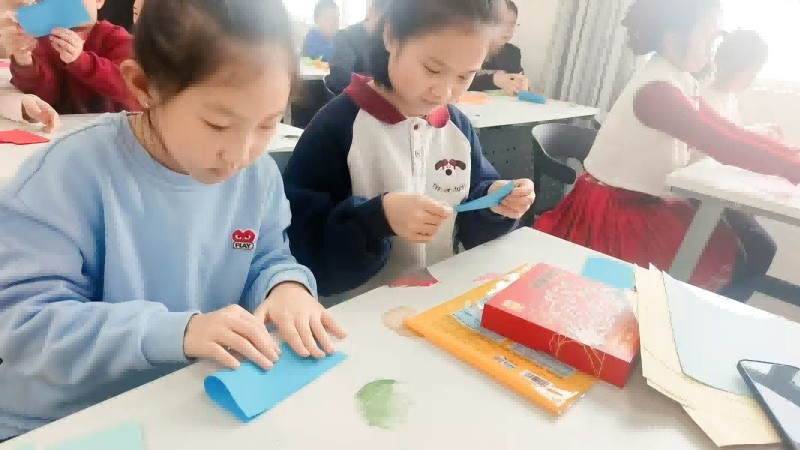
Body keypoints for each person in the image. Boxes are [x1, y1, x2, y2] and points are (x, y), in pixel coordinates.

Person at [0, 0, 345, 441]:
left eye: (267, 125)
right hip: (66, 420)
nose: (240, 154)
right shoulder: (65, 175)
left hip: (184, 403)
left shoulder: (256, 176)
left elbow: (265, 257)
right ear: (143, 86)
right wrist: (176, 332)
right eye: (217, 124)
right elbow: (25, 325)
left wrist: (286, 287)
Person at [535, 0, 800, 302]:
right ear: (674, 37)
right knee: (625, 299)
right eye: (707, 34)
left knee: (720, 254)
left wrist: (791, 154)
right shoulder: (657, 90)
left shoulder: (680, 79)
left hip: (643, 203)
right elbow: (723, 143)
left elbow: (728, 130)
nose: (712, 46)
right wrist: (791, 166)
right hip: (614, 212)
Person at [283, 0, 535, 301]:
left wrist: (494, 202)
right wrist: (377, 219)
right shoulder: (337, 126)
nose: (444, 92)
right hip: (356, 312)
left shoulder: (457, 126)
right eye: (432, 69)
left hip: (436, 301)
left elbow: (470, 219)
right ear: (391, 36)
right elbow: (302, 248)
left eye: (464, 76)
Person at [6, 0, 139, 114]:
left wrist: (81, 60)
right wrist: (24, 60)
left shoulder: (117, 38)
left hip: (112, 126)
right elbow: (43, 98)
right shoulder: (41, 40)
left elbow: (128, 88)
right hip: (59, 126)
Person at [700, 29, 781, 138]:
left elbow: (733, 132)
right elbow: (723, 139)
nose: (752, 79)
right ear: (734, 68)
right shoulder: (708, 101)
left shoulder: (730, 97)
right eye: (751, 73)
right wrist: (758, 132)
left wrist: (761, 129)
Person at [326, 0, 389, 94]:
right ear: (371, 12)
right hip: (353, 98)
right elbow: (340, 80)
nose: (387, 27)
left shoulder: (389, 41)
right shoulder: (345, 38)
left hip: (381, 97)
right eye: (384, 20)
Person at [469, 0, 528, 94]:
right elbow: (458, 81)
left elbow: (517, 79)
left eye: (512, 24)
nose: (507, 30)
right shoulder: (470, 47)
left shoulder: (513, 52)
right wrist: (494, 80)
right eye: (501, 23)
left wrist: (521, 84)